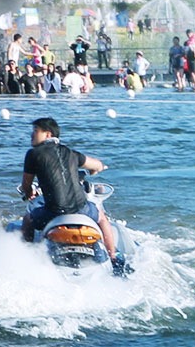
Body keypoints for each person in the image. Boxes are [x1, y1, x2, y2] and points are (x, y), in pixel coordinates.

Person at [18, 117, 126, 275]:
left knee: (28, 219)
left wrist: (29, 194)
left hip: (54, 213)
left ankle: (26, 258)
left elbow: (26, 184)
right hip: (81, 209)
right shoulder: (70, 153)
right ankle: (113, 256)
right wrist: (97, 169)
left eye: (35, 131)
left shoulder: (34, 154)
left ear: (48, 134)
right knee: (102, 217)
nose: (31, 135)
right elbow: (96, 164)